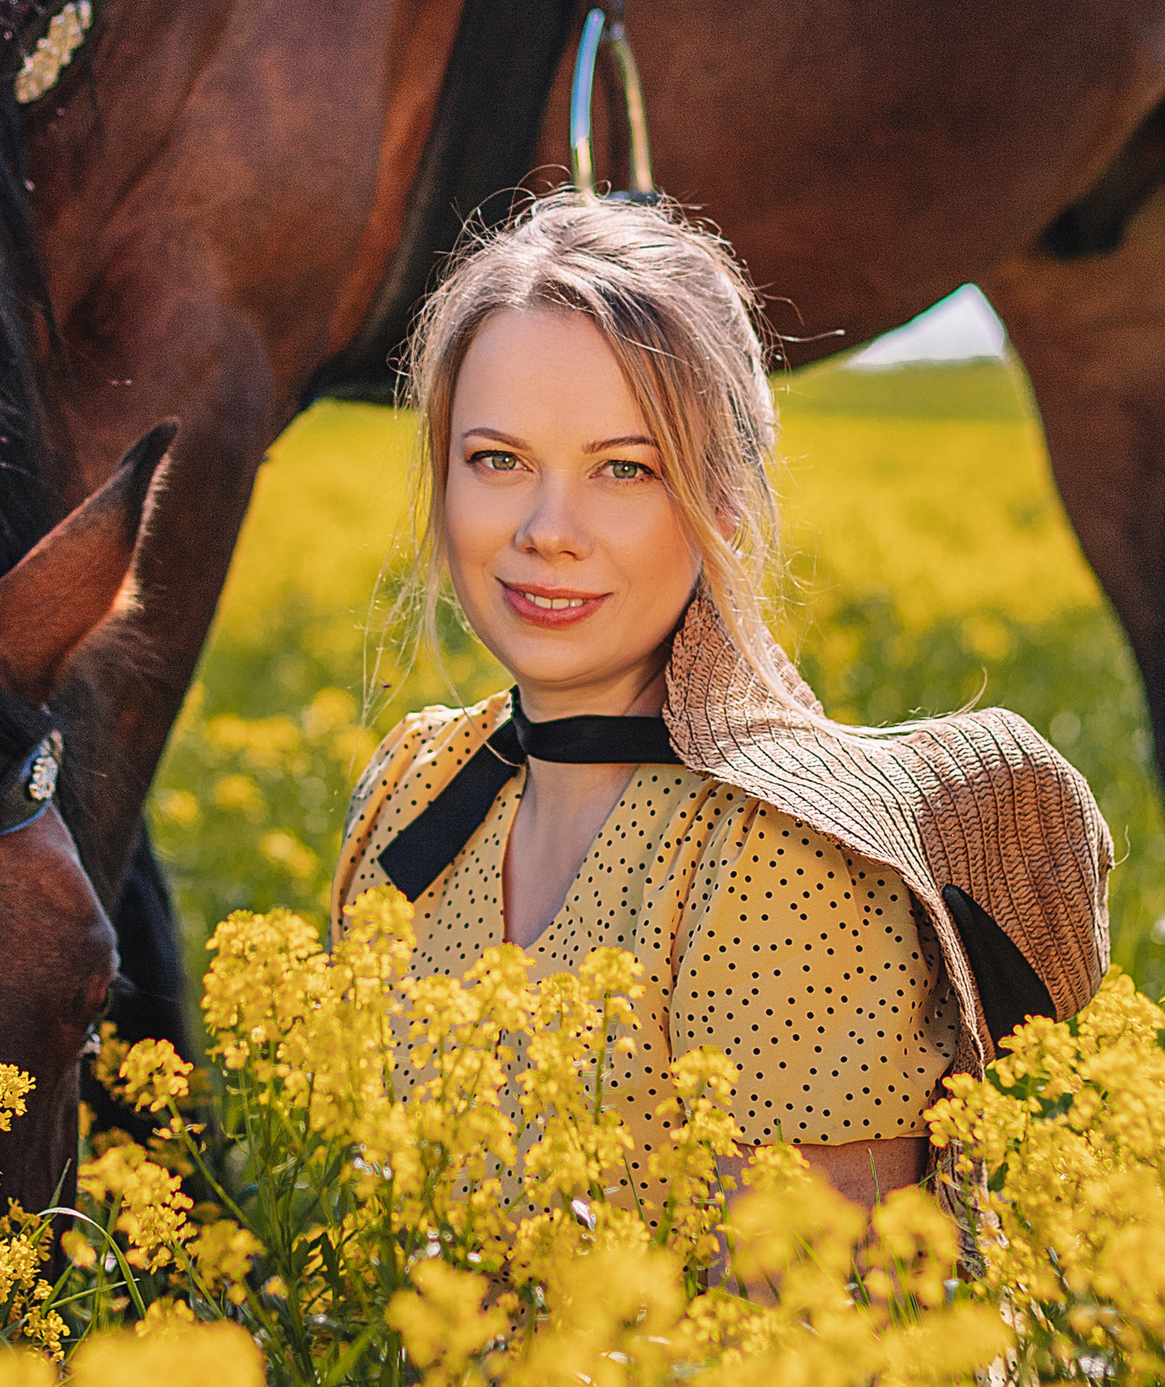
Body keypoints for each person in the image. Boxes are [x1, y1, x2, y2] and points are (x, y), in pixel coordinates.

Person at [331, 190, 1113, 1212]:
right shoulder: (415, 784)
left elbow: (811, 1349)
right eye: (497, 460)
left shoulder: (782, 854)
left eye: (624, 469)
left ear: (727, 504)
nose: (546, 529)